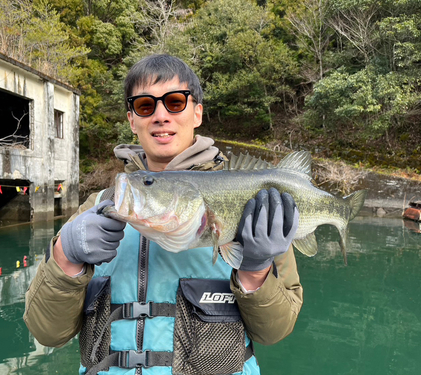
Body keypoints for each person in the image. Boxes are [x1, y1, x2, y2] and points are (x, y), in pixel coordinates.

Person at [24, 54, 303, 375]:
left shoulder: (253, 203)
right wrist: (64, 258)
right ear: (132, 119)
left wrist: (255, 272)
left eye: (175, 102)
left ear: (197, 112)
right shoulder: (95, 208)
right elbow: (47, 332)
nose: (160, 115)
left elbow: (274, 332)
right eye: (145, 105)